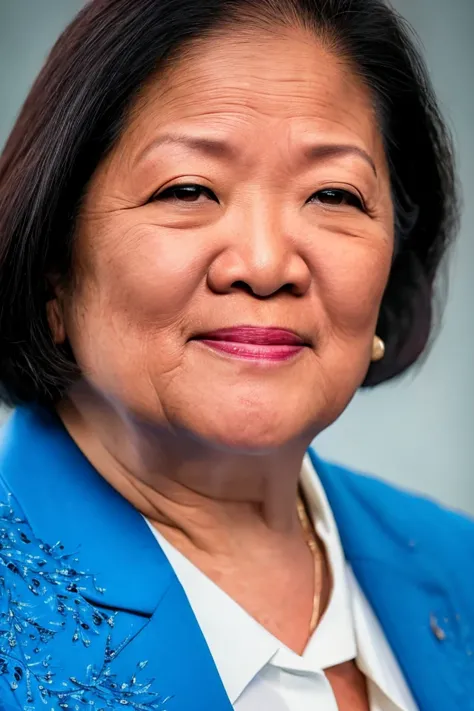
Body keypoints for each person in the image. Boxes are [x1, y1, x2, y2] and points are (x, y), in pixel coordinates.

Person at [0, 0, 472, 709]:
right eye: (188, 189)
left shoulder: (458, 562)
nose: (264, 262)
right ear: (54, 271)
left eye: (334, 194)